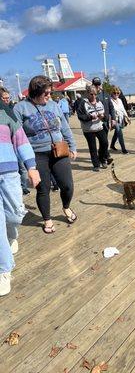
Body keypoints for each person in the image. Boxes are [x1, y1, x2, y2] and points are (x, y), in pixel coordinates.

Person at [14, 75, 77, 234]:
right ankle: (47, 219)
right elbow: (17, 136)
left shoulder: (54, 105)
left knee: (67, 185)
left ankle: (66, 207)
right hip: (36, 154)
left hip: (59, 150)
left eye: (50, 93)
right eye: (46, 93)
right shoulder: (20, 108)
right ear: (36, 92)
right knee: (44, 189)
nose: (50, 96)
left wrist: (72, 145)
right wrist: (24, 164)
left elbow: (64, 127)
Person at [0, 101, 41, 296]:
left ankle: (12, 234)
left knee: (14, 216)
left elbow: (21, 140)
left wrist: (31, 167)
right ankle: (4, 270)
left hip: (9, 174)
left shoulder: (6, 112)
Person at [0, 87, 31, 194]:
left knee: (22, 167)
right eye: (4, 98)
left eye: (8, 98)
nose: (6, 100)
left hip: (17, 143)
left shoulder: (12, 108)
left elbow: (19, 129)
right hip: (7, 150)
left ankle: (23, 186)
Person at [77, 84, 109, 171]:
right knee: (92, 147)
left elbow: (106, 115)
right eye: (91, 94)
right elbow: (80, 116)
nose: (93, 96)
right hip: (88, 129)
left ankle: (102, 159)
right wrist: (90, 117)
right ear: (87, 93)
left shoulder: (100, 102)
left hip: (99, 126)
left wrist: (103, 116)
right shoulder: (83, 103)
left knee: (105, 143)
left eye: (95, 94)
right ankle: (96, 165)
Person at [92, 77, 116, 164]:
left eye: (99, 84)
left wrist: (113, 119)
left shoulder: (106, 94)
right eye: (96, 85)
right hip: (96, 122)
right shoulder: (92, 96)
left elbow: (111, 107)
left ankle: (103, 156)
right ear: (93, 85)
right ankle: (105, 157)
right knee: (103, 141)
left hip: (105, 121)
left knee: (104, 141)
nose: (98, 86)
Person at [110, 85, 130, 154]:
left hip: (120, 119)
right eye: (114, 93)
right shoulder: (110, 100)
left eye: (118, 93)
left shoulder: (120, 100)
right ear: (112, 93)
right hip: (114, 120)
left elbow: (123, 109)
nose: (116, 94)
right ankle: (124, 149)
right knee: (120, 133)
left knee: (117, 133)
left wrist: (127, 117)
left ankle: (112, 145)